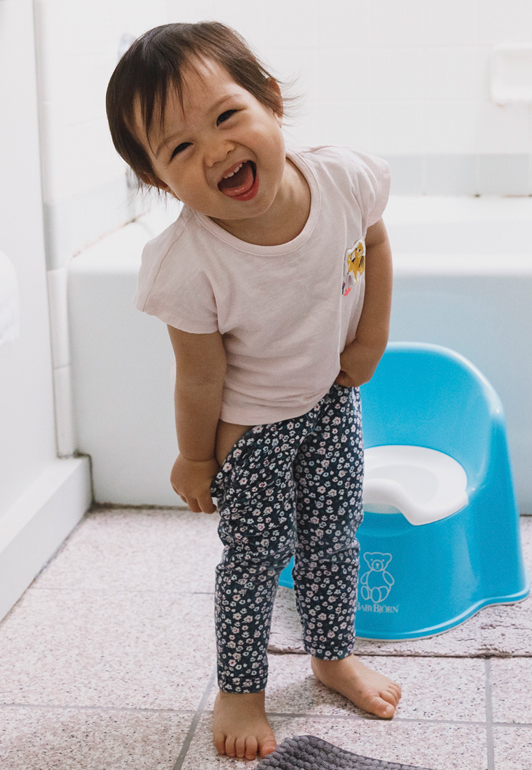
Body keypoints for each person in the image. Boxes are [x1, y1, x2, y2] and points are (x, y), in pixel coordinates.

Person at [106, 21, 401, 761]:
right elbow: (200, 374)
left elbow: (376, 241)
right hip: (252, 433)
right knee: (255, 558)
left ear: (269, 101)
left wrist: (369, 341)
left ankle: (331, 658)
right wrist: (195, 459)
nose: (214, 151)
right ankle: (241, 689)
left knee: (334, 538)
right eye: (178, 149)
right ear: (156, 178)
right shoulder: (187, 263)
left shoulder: (342, 177)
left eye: (226, 116)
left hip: (330, 401)